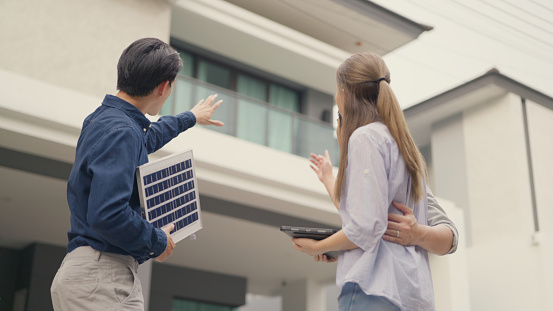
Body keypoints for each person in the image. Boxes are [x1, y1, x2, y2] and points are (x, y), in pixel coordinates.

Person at [50, 38, 223, 311]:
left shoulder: (111, 121)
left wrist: (191, 117)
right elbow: (108, 212)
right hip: (101, 276)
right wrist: (157, 241)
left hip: (97, 276)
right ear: (164, 86)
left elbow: (147, 137)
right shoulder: (122, 131)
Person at [291, 52, 436, 310]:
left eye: (337, 89)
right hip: (410, 293)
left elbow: (366, 227)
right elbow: (368, 214)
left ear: (345, 92)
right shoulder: (404, 146)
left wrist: (318, 246)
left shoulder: (364, 138)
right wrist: (329, 179)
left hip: (374, 288)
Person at [308, 150, 458, 262]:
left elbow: (450, 238)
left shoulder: (401, 171)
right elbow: (354, 216)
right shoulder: (359, 169)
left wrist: (417, 234)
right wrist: (327, 177)